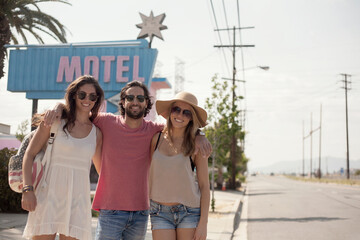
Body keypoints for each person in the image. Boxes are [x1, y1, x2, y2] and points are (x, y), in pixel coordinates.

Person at [46, 81, 212, 240]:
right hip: (111, 211)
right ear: (123, 101)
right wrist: (58, 106)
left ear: (146, 103)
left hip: (140, 213)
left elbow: (181, 129)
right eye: (130, 98)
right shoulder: (106, 121)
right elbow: (79, 112)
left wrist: (200, 135)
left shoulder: (153, 131)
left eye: (140, 98)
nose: (135, 102)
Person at [21, 75, 104, 240]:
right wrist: (27, 190)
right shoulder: (55, 122)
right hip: (47, 196)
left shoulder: (97, 133)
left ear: (97, 100)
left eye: (92, 96)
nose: (87, 99)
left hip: (78, 202)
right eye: (82, 94)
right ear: (74, 95)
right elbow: (29, 154)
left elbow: (102, 171)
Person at [149, 92, 210, 240]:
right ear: (170, 112)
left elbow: (204, 185)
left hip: (189, 212)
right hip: (159, 212)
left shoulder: (197, 144)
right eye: (176, 109)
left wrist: (203, 224)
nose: (180, 115)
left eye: (186, 112)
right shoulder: (156, 139)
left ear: (191, 118)